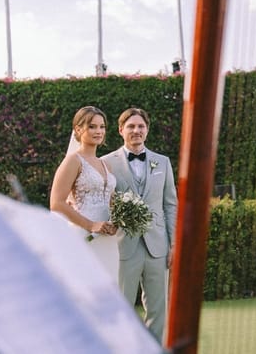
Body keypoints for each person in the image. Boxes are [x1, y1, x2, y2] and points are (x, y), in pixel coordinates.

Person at [102, 107, 177, 343]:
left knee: (158, 309)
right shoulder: (106, 163)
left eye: (141, 126)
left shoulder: (162, 162)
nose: (136, 130)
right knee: (122, 306)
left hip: (158, 246)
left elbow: (170, 205)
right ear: (121, 130)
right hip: (124, 246)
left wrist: (174, 244)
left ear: (147, 130)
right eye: (131, 126)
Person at [50, 106, 119, 279]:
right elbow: (56, 203)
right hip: (84, 235)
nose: (99, 131)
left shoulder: (105, 165)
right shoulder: (73, 161)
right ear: (78, 129)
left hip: (107, 238)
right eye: (92, 126)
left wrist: (121, 218)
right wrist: (91, 225)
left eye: (102, 127)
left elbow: (110, 201)